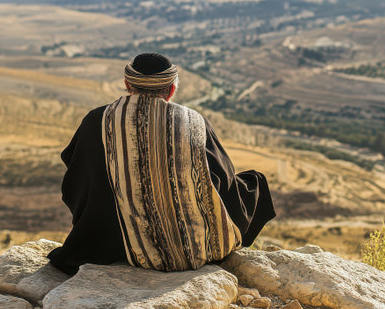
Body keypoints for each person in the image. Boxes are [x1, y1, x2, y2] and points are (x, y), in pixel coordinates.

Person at [48, 53, 276, 275]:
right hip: (197, 251)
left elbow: (75, 177)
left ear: (128, 85)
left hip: (116, 246)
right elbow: (223, 180)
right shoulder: (194, 121)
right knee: (254, 181)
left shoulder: (97, 120)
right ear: (171, 90)